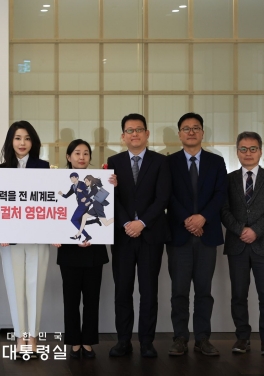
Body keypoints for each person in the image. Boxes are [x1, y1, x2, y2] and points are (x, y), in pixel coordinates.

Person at [106, 113, 171, 358]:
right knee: (122, 290)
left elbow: (162, 197)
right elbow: (111, 198)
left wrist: (141, 223)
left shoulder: (160, 161)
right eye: (129, 130)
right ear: (123, 136)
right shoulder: (114, 161)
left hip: (150, 235)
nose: (135, 134)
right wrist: (126, 223)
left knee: (148, 291)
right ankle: (123, 340)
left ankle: (146, 341)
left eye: (139, 130)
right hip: (123, 236)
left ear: (147, 134)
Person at [165, 113, 227, 357]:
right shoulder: (168, 163)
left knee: (204, 290)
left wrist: (203, 217)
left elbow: (221, 193)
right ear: (179, 134)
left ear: (202, 133)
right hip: (179, 235)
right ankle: (180, 337)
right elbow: (167, 195)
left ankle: (203, 338)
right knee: (179, 291)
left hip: (207, 234)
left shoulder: (216, 162)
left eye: (196, 128)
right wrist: (188, 220)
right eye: (186, 128)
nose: (191, 132)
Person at [221, 131, 264, 356]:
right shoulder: (228, 179)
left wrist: (255, 230)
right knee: (239, 294)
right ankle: (242, 338)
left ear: (260, 151)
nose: (248, 153)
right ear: (237, 152)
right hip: (237, 245)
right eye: (243, 149)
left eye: (253, 149)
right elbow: (223, 210)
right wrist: (241, 230)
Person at [0, 121, 51, 358]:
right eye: (18, 138)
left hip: (38, 238)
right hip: (10, 240)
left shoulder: (43, 167)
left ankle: (33, 337)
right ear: (11, 141)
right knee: (14, 286)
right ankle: (20, 337)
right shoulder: (1, 169)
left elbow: (51, 202)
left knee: (35, 286)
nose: (22, 143)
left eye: (27, 138)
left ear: (33, 142)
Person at [57, 139, 113, 360]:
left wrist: (113, 185)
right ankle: (74, 342)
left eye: (86, 153)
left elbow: (105, 205)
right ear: (69, 157)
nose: (81, 157)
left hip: (94, 251)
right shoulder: (60, 180)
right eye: (77, 153)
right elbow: (54, 214)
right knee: (70, 300)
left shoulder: (98, 180)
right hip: (69, 252)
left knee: (92, 299)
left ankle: (88, 341)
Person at [60, 173, 91, 241]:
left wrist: (83, 194)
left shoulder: (82, 184)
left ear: (77, 177)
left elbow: (89, 193)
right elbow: (67, 196)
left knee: (73, 220)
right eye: (70, 178)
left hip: (84, 204)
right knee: (80, 221)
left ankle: (87, 235)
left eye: (72, 177)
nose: (71, 179)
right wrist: (62, 194)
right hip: (80, 204)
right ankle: (81, 235)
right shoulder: (73, 186)